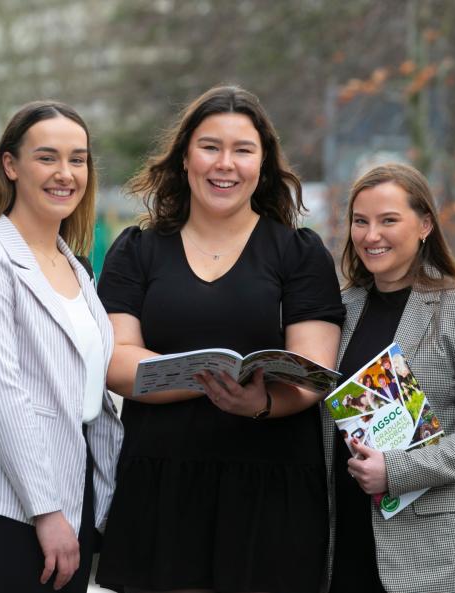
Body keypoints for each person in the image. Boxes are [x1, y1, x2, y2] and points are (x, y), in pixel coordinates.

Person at [95, 85, 344, 593]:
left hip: (270, 486)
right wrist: (212, 379)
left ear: (264, 164)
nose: (224, 164)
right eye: (210, 146)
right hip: (162, 481)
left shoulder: (300, 253)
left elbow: (313, 369)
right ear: (185, 156)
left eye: (243, 150)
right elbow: (116, 361)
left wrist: (258, 402)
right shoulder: (136, 250)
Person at [0, 100, 123, 593]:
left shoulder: (76, 268)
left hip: (74, 495)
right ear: (10, 165)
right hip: (4, 505)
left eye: (78, 159)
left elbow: (92, 395)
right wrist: (47, 511)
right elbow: (3, 394)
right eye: (47, 157)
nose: (66, 173)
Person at [324, 163, 455, 593]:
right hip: (341, 546)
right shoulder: (338, 309)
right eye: (360, 221)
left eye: (389, 220)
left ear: (425, 224)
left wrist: (397, 469)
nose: (372, 235)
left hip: (432, 554)